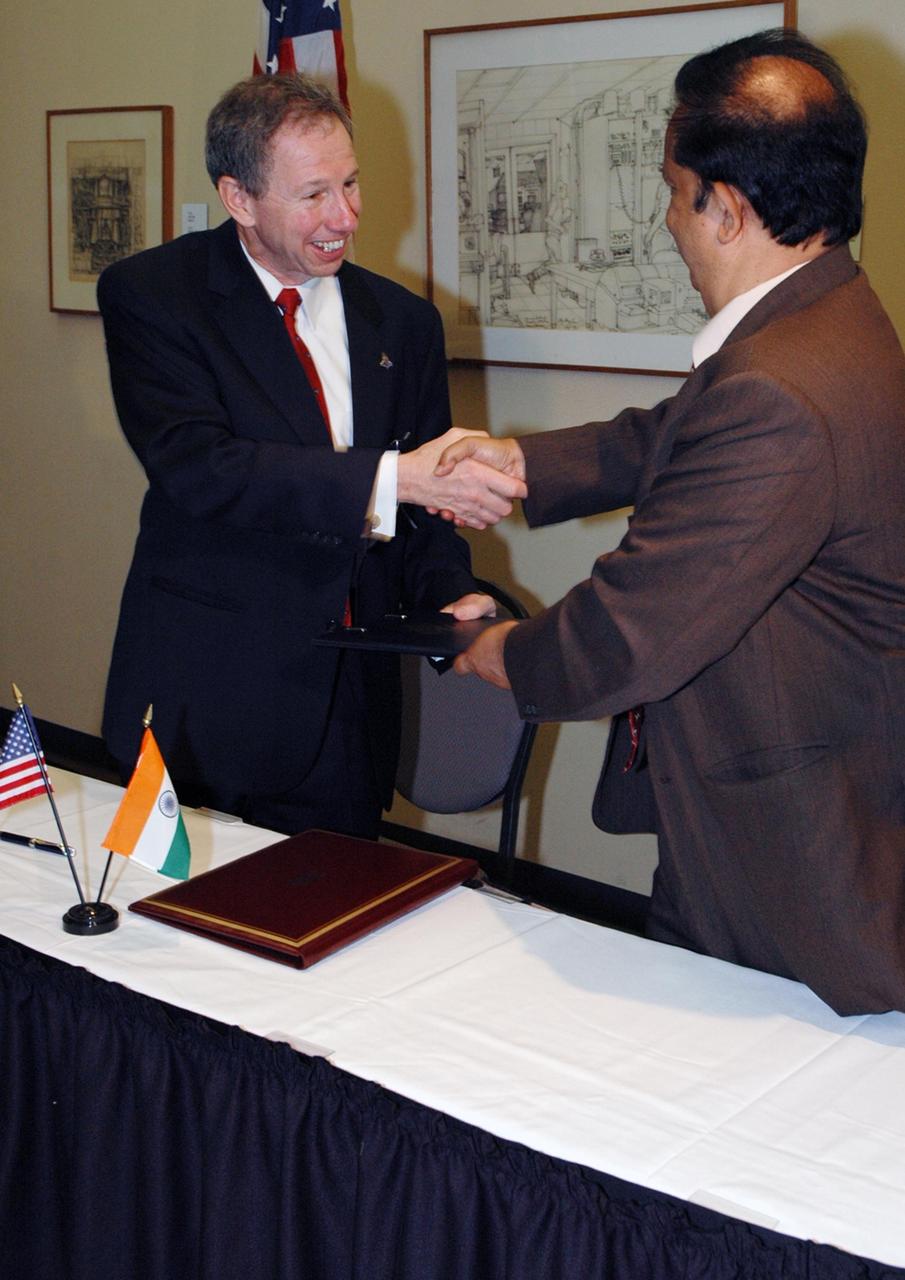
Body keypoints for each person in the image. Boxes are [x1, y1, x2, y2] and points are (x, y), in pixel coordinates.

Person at [437, 30, 905, 1016]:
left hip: (789, 869)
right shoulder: (830, 320)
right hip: (807, 800)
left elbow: (621, 633)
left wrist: (490, 650)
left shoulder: (776, 388)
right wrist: (524, 465)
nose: (664, 217)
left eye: (669, 188)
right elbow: (685, 432)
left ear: (723, 208)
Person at [98, 73, 524, 839]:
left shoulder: (403, 321)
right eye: (314, 194)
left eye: (352, 183)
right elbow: (202, 468)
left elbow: (426, 508)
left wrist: (449, 592)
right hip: (204, 698)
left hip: (343, 709)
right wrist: (395, 478)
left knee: (325, 937)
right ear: (239, 199)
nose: (345, 217)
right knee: (168, 941)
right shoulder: (154, 295)